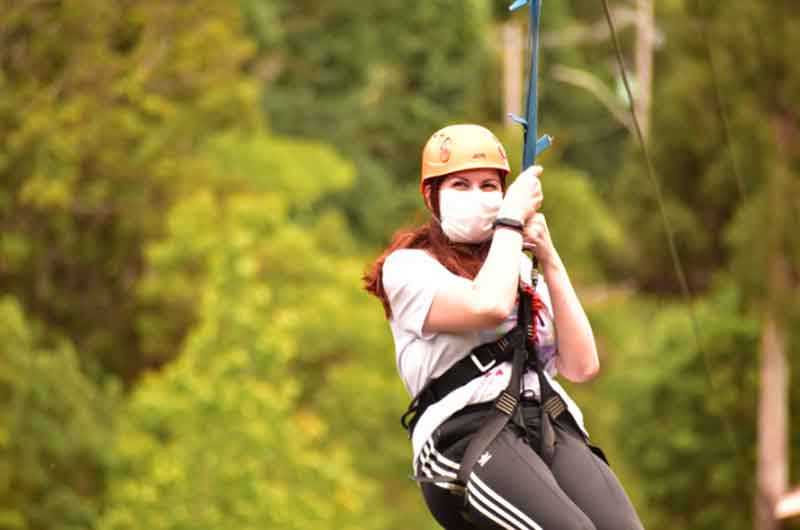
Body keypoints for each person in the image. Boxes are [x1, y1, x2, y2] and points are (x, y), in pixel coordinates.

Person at [364, 124, 645, 530]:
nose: (477, 197)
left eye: (488, 186)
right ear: (432, 196)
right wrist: (510, 220)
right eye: (460, 185)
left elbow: (582, 365)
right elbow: (488, 306)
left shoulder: (520, 268)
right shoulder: (409, 267)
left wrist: (548, 257)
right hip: (462, 435)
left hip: (545, 421)